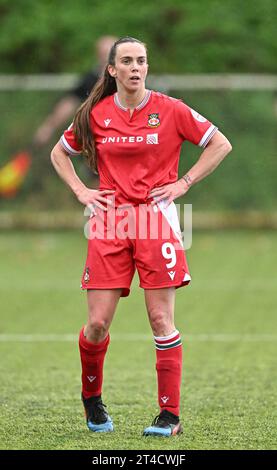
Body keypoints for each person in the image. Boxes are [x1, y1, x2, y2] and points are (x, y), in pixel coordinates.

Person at [50, 36, 232, 437]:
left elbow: (220, 143)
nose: (136, 67)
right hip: (109, 222)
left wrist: (183, 183)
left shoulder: (170, 109)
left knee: (160, 318)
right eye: (127, 61)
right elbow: (60, 152)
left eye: (142, 61)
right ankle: (92, 402)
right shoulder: (94, 114)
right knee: (97, 324)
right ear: (112, 70)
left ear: (147, 68)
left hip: (157, 222)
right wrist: (82, 191)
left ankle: (170, 416)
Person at [34, 36, 118, 148]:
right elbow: (69, 102)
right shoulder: (89, 80)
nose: (107, 58)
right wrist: (48, 127)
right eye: (103, 53)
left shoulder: (130, 79)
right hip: (95, 142)